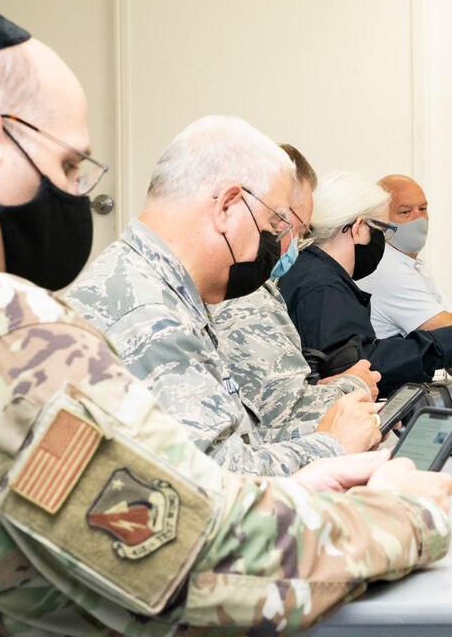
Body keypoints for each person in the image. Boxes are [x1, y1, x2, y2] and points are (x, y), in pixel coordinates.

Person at [0, 4, 452, 636]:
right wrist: (404, 514)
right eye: (68, 166)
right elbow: (187, 555)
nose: (76, 193)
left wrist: (307, 473)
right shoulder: (5, 332)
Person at [66, 117, 382, 475]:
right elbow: (219, 482)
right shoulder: (150, 315)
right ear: (228, 206)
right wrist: (333, 445)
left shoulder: (155, 284)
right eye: (275, 223)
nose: (278, 242)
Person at [208, 143, 383, 442]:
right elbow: (284, 422)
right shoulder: (245, 298)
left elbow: (267, 398)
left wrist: (323, 389)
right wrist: (355, 385)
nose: (294, 245)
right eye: (290, 227)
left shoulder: (252, 286)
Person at [278, 171, 452, 394]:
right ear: (358, 228)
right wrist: (449, 342)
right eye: (381, 230)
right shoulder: (323, 287)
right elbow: (360, 370)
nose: (382, 242)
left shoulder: (311, 272)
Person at [357, 173, 452, 338]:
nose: (419, 219)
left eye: (422, 209)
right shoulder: (389, 270)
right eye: (406, 212)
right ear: (381, 220)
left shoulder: (413, 265)